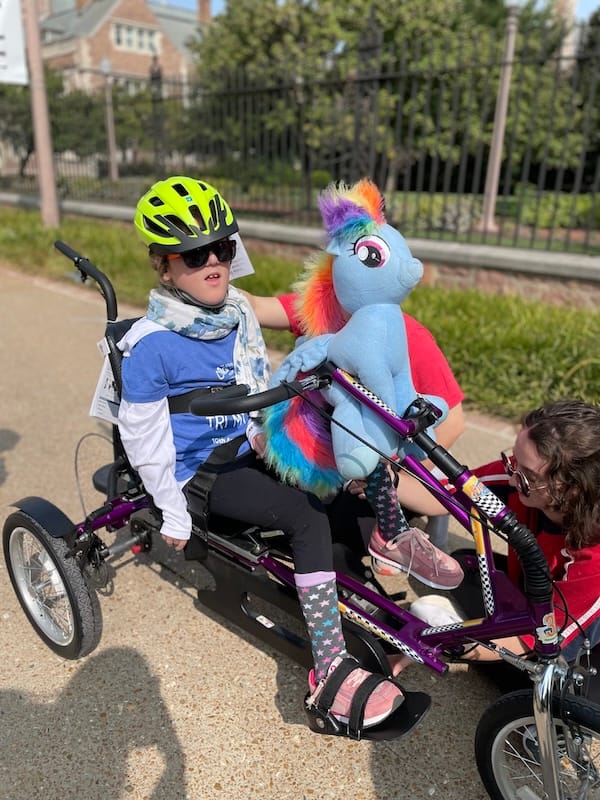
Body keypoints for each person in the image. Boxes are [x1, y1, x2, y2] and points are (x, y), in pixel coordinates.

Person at [116, 175, 404, 734]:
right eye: (196, 255)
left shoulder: (237, 313)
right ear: (163, 266)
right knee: (302, 515)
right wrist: (172, 510)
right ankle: (329, 672)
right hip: (200, 473)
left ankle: (372, 576)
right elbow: (144, 440)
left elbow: (280, 349)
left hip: (249, 444)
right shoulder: (150, 346)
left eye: (223, 247)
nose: (214, 262)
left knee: (345, 472)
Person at [243, 291, 466, 579]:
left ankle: (398, 531)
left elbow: (454, 421)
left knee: (331, 541)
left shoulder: (404, 333)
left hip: (378, 471)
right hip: (329, 457)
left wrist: (394, 473)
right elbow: (259, 306)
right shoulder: (321, 308)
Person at [387, 398, 600, 682]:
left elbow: (529, 642)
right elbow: (447, 496)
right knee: (465, 567)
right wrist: (386, 480)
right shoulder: (520, 473)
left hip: (569, 642)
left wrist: (431, 642)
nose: (513, 478)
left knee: (542, 689)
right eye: (514, 460)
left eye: (528, 476)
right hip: (533, 601)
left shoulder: (594, 553)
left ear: (573, 488)